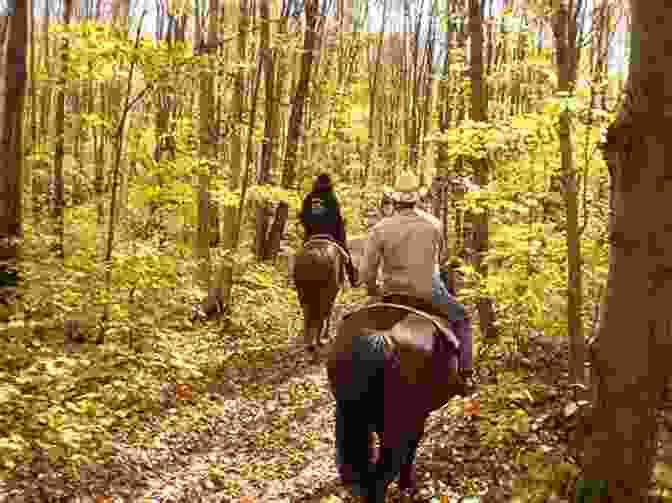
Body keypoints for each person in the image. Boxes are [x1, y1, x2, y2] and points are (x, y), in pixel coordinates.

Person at [359, 171, 474, 390]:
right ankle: (466, 373)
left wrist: (373, 290)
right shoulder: (435, 225)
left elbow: (367, 273)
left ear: (393, 200)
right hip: (429, 292)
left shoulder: (380, 228)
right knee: (462, 319)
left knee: (355, 322)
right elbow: (440, 261)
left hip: (391, 292)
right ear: (417, 200)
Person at [299, 173, 358, 286]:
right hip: (330, 234)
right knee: (345, 252)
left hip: (311, 235)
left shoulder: (309, 197)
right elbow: (335, 219)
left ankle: (293, 281)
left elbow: (303, 217)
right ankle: (353, 278)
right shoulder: (331, 198)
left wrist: (309, 226)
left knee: (299, 254)